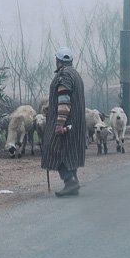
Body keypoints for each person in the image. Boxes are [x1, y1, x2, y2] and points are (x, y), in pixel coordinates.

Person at [41, 46, 86, 197]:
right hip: (76, 123)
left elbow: (65, 100)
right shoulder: (75, 74)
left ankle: (70, 181)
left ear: (58, 61)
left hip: (66, 123)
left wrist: (60, 123)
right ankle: (73, 180)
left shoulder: (64, 75)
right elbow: (65, 97)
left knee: (54, 149)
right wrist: (50, 107)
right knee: (70, 152)